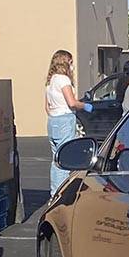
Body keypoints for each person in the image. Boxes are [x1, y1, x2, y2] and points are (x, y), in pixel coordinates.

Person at [45, 49, 92, 195]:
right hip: (65, 119)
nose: (72, 66)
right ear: (66, 62)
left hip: (53, 120)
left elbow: (47, 107)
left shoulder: (50, 81)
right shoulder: (63, 80)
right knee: (65, 158)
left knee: (56, 159)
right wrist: (85, 106)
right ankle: (61, 192)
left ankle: (54, 191)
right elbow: (71, 102)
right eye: (71, 62)